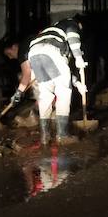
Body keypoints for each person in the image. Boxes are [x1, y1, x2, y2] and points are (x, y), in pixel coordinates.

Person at [27, 17, 87, 146]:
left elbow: (62, 72)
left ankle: (45, 136)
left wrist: (78, 84)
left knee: (46, 93)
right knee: (64, 92)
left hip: (33, 53)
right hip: (51, 50)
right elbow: (72, 34)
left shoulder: (51, 30)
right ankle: (62, 135)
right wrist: (78, 57)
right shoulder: (71, 24)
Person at [2, 35, 33, 110]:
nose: (10, 57)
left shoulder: (22, 51)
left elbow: (27, 74)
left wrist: (18, 94)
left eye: (9, 54)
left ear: (14, 46)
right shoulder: (27, 44)